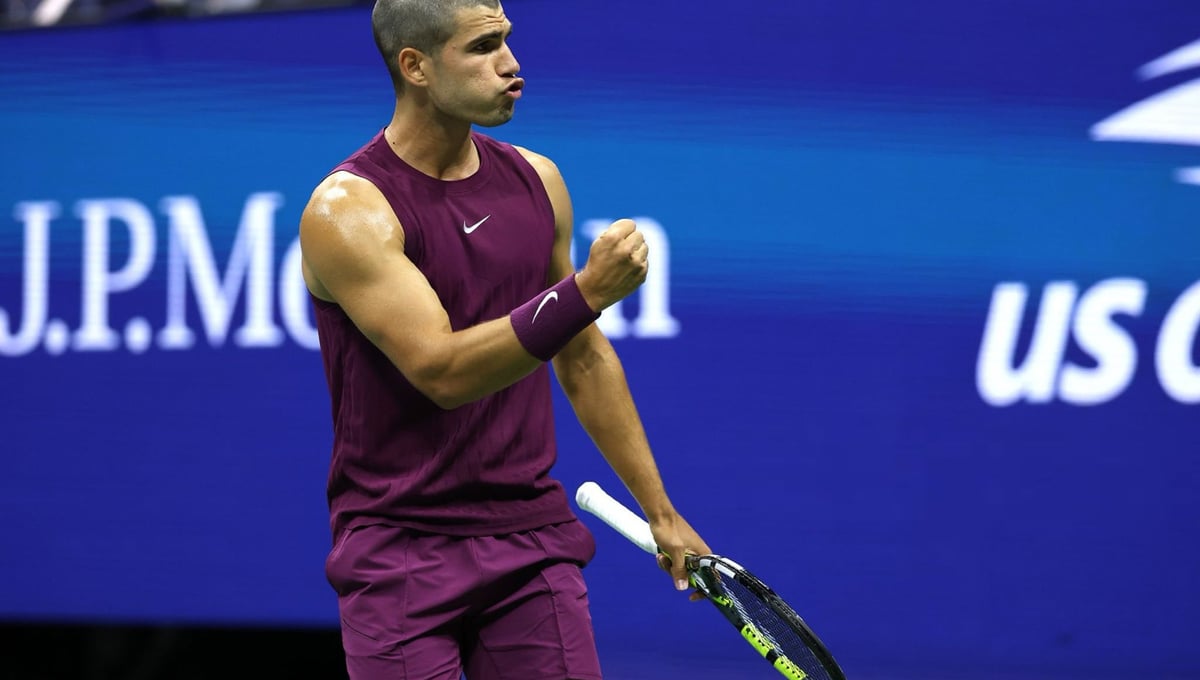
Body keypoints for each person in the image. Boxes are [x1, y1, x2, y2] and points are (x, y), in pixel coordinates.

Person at [297, 0, 711, 678]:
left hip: (528, 542)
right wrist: (585, 292)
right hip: (400, 555)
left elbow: (582, 354)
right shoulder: (349, 212)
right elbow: (442, 372)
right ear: (416, 66)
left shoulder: (537, 180)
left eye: (508, 41)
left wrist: (660, 513)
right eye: (485, 47)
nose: (513, 65)